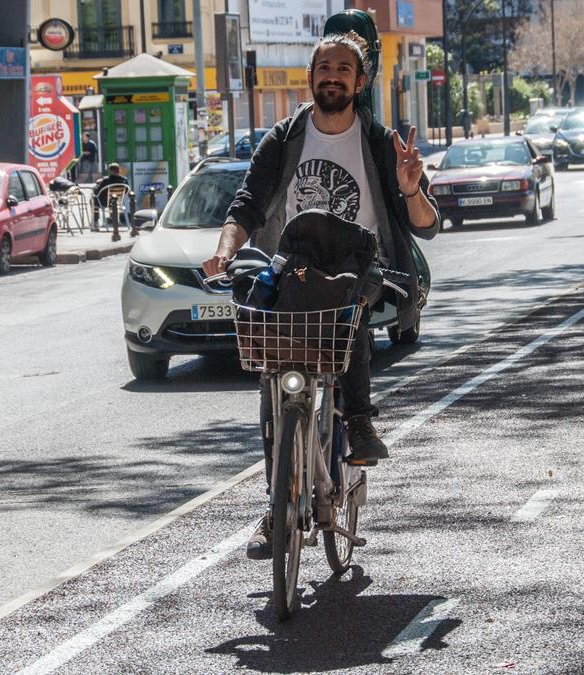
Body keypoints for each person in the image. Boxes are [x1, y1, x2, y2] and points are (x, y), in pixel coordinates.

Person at [201, 31, 439, 560]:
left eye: (343, 69)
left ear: (359, 81)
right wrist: (223, 251)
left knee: (348, 313)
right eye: (324, 67)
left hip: (359, 265)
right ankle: (276, 506)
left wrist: (409, 186)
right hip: (293, 268)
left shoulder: (380, 143)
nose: (332, 76)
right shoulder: (284, 138)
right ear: (311, 78)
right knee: (273, 387)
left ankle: (357, 419)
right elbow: (247, 206)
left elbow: (427, 225)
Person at [94, 163, 129, 240]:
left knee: (94, 200)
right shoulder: (124, 180)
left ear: (110, 171)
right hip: (118, 202)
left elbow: (97, 192)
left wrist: (96, 186)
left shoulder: (106, 180)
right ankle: (116, 221)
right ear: (119, 170)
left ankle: (95, 222)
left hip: (105, 202)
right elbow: (127, 191)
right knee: (108, 201)